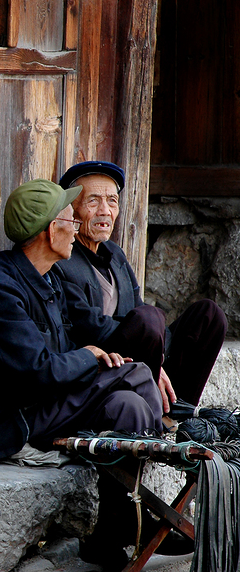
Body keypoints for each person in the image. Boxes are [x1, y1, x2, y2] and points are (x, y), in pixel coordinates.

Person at [0, 178, 166, 568]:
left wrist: (97, 355)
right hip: (11, 421)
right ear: (52, 230)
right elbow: (38, 372)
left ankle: (113, 531)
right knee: (135, 375)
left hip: (48, 402)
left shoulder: (46, 277)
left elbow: (67, 349)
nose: (77, 228)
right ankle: (161, 446)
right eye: (72, 219)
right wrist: (90, 357)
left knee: (129, 405)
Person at [53, 161, 226, 414]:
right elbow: (86, 325)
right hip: (103, 363)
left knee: (208, 316)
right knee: (147, 320)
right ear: (72, 210)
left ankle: (177, 414)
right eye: (93, 201)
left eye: (112, 201)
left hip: (141, 353)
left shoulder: (114, 253)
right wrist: (149, 358)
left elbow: (138, 305)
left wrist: (159, 359)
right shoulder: (62, 257)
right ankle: (152, 409)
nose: (105, 211)